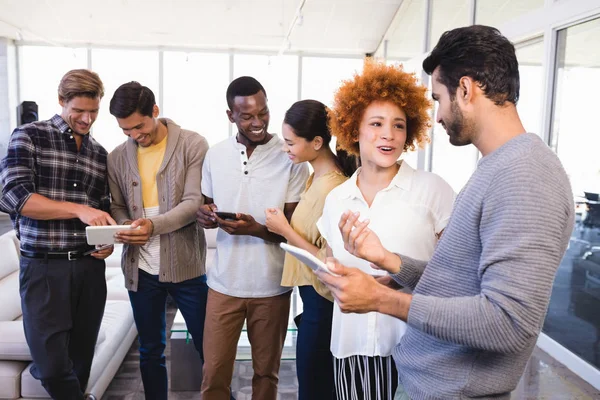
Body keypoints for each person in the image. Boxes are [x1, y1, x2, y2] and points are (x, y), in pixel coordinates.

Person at [315, 25, 575, 400]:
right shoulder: (501, 168)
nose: (437, 116)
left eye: (439, 98)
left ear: (466, 89)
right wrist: (390, 262)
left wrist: (382, 300)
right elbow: (459, 283)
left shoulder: (526, 178)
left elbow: (508, 323)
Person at [313, 60, 455, 400]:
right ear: (353, 129)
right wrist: (331, 275)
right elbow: (331, 265)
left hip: (418, 345)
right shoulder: (336, 198)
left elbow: (455, 273)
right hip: (352, 345)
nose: (388, 134)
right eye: (376, 124)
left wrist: (397, 275)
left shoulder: (433, 190)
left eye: (398, 125)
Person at [0, 69, 115, 399]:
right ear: (61, 101)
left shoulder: (99, 153)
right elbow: (14, 196)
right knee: (51, 366)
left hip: (90, 269)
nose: (87, 118)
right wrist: (77, 209)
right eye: (79, 110)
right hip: (44, 269)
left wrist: (105, 240)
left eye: (93, 111)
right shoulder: (29, 135)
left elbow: (101, 209)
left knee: (80, 361)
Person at [197, 76, 309, 400]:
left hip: (271, 286)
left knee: (266, 375)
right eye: (247, 116)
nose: (257, 122)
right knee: (214, 374)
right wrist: (204, 216)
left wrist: (256, 229)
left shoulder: (290, 157)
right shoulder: (215, 155)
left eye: (263, 112)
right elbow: (206, 207)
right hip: (223, 285)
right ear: (230, 115)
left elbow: (292, 232)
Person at [106, 81, 209, 400]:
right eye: (126, 130)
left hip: (188, 268)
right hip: (141, 271)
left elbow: (193, 203)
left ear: (155, 111)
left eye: (139, 126)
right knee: (150, 350)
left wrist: (152, 225)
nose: (135, 135)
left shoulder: (192, 144)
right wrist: (125, 224)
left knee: (209, 348)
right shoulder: (116, 157)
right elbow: (117, 205)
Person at [264, 99, 358, 400]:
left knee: (315, 388)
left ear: (317, 142)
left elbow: (328, 260)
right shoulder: (313, 177)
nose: (285, 148)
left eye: (291, 143)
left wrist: (285, 230)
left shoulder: (334, 188)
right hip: (312, 300)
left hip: (324, 303)